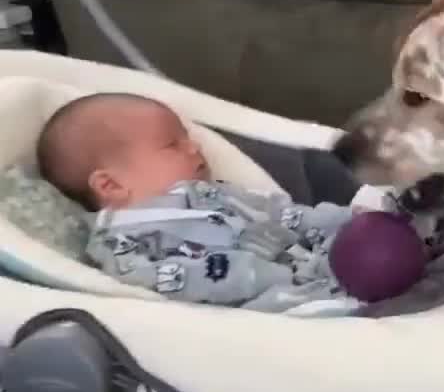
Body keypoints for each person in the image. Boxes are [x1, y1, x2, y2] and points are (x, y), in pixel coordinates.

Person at [36, 92, 403, 316]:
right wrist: (260, 274)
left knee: (375, 233)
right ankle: (357, 305)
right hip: (251, 304)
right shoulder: (121, 240)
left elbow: (283, 214)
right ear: (110, 184)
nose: (195, 149)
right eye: (172, 145)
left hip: (305, 262)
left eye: (189, 139)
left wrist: (343, 221)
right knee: (312, 308)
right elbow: (161, 283)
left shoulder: (214, 194)